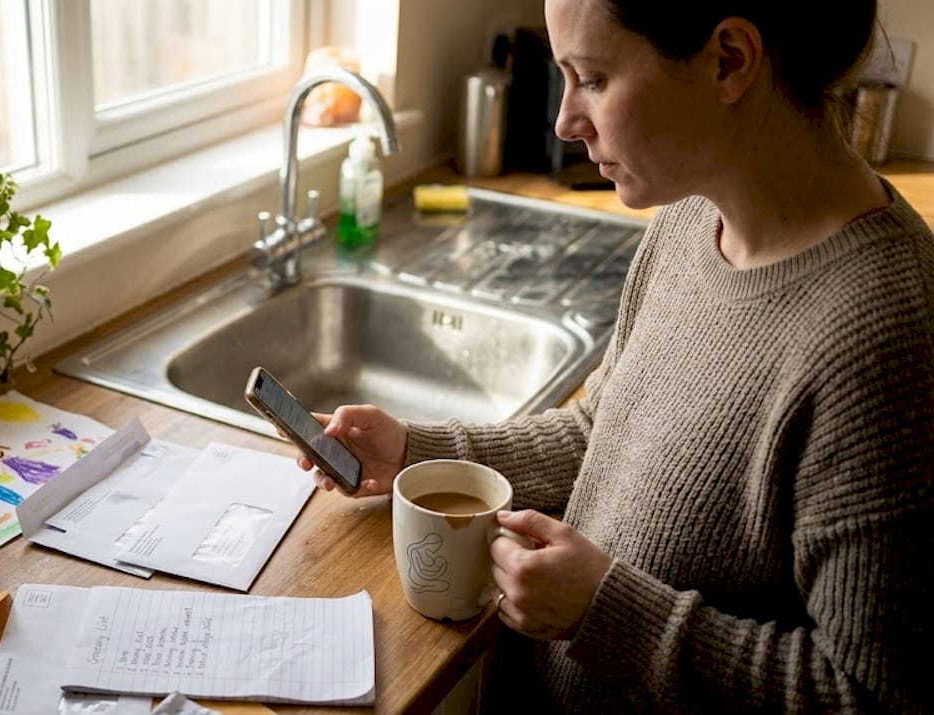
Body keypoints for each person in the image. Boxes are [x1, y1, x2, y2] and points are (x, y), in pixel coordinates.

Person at [298, 0, 934, 711]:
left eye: (591, 78)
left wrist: (607, 613)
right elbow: (604, 430)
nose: (567, 119)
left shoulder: (882, 336)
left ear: (729, 60)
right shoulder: (693, 220)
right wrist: (418, 451)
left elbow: (872, 696)